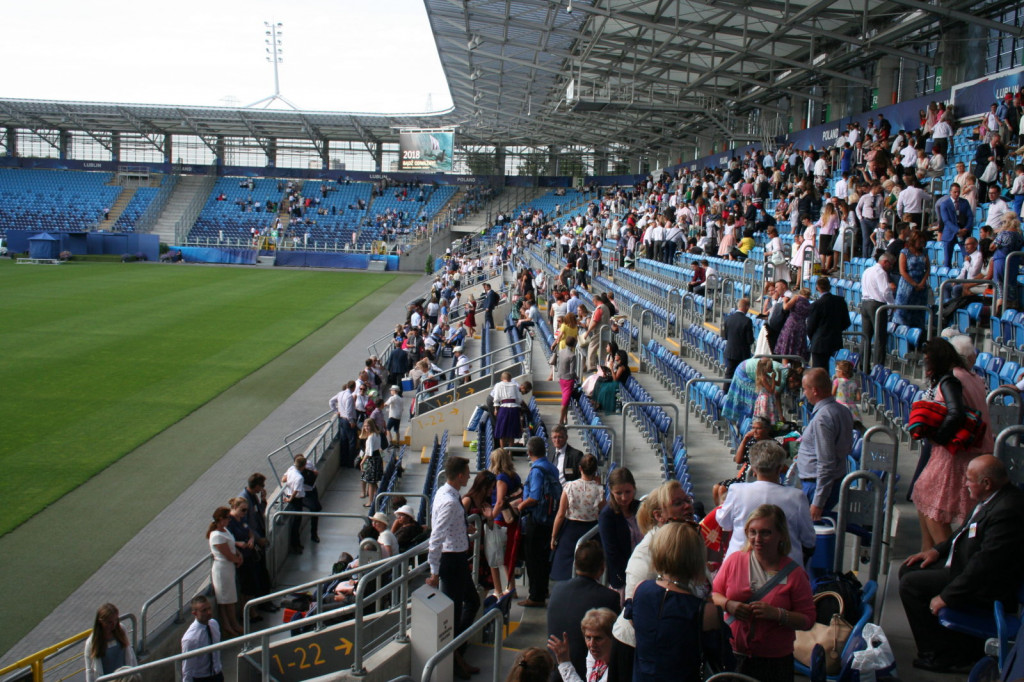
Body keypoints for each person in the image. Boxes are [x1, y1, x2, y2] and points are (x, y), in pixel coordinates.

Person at [899, 455, 1024, 673]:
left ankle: (941, 655)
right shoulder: (990, 499)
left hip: (984, 586)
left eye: (969, 480)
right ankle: (948, 642)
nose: (965, 484)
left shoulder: (1007, 510)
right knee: (909, 568)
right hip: (962, 566)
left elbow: (985, 565)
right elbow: (963, 533)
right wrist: (936, 551)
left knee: (911, 585)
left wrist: (947, 596)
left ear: (986, 483)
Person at [712, 505, 815, 681]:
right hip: (733, 655)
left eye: (766, 533)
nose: (757, 539)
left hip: (774, 663)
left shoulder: (795, 574)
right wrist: (729, 605)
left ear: (781, 535)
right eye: (752, 532)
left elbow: (807, 620)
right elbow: (713, 594)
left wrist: (777, 614)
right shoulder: (734, 561)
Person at [911, 338, 994, 550]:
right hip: (976, 450)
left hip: (957, 452)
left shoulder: (952, 379)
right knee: (925, 497)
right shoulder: (972, 376)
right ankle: (927, 553)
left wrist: (939, 436)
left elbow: (955, 413)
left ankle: (947, 556)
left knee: (931, 505)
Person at [628, 521, 722, 680]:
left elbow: (634, 624)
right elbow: (720, 659)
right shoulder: (704, 611)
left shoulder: (640, 589)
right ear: (695, 558)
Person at [717, 441, 817, 567]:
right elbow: (809, 540)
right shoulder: (797, 497)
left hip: (740, 568)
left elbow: (723, 522)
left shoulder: (736, 490)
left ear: (753, 469)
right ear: (780, 468)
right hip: (785, 572)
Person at [426, 456, 480, 680]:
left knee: (472, 602)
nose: (469, 476)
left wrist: (462, 527)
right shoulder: (449, 500)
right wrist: (434, 571)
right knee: (455, 612)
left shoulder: (447, 493)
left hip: (457, 558)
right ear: (459, 475)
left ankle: (458, 654)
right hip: (452, 562)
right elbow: (436, 536)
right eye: (467, 472)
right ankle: (454, 659)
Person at [547, 544, 622, 680]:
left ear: (575, 564)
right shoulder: (609, 597)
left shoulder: (557, 589)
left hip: (553, 670)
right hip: (583, 674)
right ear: (602, 568)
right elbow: (613, 641)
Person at [796, 367, 853, 519]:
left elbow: (826, 462)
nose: (804, 394)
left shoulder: (823, 418)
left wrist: (818, 502)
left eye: (805, 389)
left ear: (814, 390)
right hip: (830, 482)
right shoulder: (843, 411)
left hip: (816, 486)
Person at [514, 436, 561, 607]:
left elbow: (534, 497)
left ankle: (535, 596)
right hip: (549, 519)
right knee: (543, 557)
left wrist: (520, 507)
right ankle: (543, 589)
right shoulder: (552, 468)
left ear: (530, 452)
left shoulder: (537, 470)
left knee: (533, 558)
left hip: (537, 519)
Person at [551, 454, 605, 581]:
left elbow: (560, 515)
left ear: (580, 468)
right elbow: (604, 510)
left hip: (571, 530)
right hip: (592, 531)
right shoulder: (599, 490)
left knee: (566, 571)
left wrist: (553, 536)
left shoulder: (569, 487)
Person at [598, 467, 641, 597]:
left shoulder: (641, 508)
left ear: (634, 488)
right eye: (619, 493)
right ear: (611, 491)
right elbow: (612, 553)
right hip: (624, 579)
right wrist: (625, 578)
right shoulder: (607, 515)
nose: (624, 497)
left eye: (628, 492)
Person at [713, 416, 775, 506]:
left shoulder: (772, 445)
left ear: (766, 430)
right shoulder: (751, 442)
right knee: (716, 488)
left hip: (755, 478)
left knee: (722, 489)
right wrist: (745, 440)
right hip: (743, 476)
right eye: (753, 428)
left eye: (758, 428)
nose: (755, 431)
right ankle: (718, 515)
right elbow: (738, 460)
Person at [548, 607, 619, 682]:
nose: (591, 644)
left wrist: (564, 662)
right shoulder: (595, 653)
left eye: (598, 638)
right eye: (588, 637)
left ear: (613, 638)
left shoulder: (618, 666)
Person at [489, 447, 522, 597]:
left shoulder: (501, 478)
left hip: (501, 520)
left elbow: (500, 501)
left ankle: (499, 590)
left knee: (496, 556)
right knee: (508, 554)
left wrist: (491, 516)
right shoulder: (515, 476)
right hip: (513, 519)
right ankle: (511, 588)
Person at [207, 507, 243, 638]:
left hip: (228, 568)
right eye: (227, 517)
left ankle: (232, 624)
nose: (229, 520)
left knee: (230, 598)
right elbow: (227, 554)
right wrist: (237, 560)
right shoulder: (216, 536)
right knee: (225, 599)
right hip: (222, 569)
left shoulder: (224, 530)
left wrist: (238, 555)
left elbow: (232, 546)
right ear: (221, 519)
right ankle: (229, 626)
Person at [806, 277, 852, 369]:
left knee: (819, 371)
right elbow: (846, 322)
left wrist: (813, 338)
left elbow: (810, 327)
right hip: (835, 341)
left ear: (817, 288)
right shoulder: (840, 301)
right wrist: (836, 331)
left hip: (819, 343)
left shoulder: (816, 304)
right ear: (830, 287)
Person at [84, 604, 138, 682]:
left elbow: (130, 654)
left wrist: (136, 672)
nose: (113, 625)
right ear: (100, 621)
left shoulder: (121, 630)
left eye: (116, 620)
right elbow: (89, 670)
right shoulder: (91, 642)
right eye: (109, 622)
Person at [861, 253, 896, 367]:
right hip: (876, 305)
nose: (891, 267)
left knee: (866, 337)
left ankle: (864, 366)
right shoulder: (880, 272)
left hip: (865, 303)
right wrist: (892, 304)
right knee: (880, 338)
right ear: (885, 262)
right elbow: (885, 291)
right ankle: (878, 367)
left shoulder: (867, 270)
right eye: (890, 265)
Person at [894, 230, 930, 331]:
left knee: (919, 313)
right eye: (919, 241)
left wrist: (922, 282)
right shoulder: (905, 252)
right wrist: (914, 284)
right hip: (907, 285)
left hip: (921, 284)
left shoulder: (924, 252)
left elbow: (927, 268)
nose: (921, 244)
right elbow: (902, 271)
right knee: (903, 313)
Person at [181, 596, 223, 682]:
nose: (209, 612)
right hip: (202, 678)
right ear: (195, 613)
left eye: (209, 608)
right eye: (204, 610)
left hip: (217, 674)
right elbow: (187, 669)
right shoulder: (190, 639)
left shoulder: (214, 624)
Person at [936, 183, 974, 269]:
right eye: (955, 192)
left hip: (964, 234)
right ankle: (947, 281)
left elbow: (970, 216)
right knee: (947, 260)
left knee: (967, 256)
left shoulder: (964, 202)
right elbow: (946, 220)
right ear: (950, 192)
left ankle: (966, 277)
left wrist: (966, 228)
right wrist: (957, 230)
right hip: (949, 233)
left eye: (958, 192)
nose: (957, 194)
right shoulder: (944, 204)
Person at [773, 288, 811, 362]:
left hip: (791, 324)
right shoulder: (809, 304)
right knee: (798, 350)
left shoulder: (797, 297)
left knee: (786, 349)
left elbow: (786, 307)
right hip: (802, 326)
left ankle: (785, 367)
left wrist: (784, 301)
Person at [721, 298, 754, 379]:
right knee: (742, 375)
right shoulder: (747, 321)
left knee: (729, 374)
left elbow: (726, 336)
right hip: (742, 354)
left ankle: (725, 390)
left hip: (730, 351)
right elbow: (749, 340)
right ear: (746, 307)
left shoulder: (728, 319)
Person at [552, 335, 579, 425]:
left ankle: (565, 418)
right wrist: (576, 377)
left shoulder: (561, 351)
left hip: (561, 378)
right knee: (565, 401)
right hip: (568, 380)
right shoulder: (572, 356)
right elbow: (572, 371)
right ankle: (561, 420)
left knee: (565, 399)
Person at [492, 372, 523, 448]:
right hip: (514, 409)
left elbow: (496, 398)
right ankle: (510, 453)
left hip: (503, 409)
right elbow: (519, 399)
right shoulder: (515, 386)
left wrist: (496, 408)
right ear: (510, 378)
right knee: (511, 432)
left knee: (502, 431)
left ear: (502, 378)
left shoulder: (498, 385)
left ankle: (502, 451)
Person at [595, 350, 630, 414]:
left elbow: (615, 379)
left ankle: (602, 406)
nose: (615, 356)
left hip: (619, 385)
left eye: (616, 355)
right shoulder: (619, 366)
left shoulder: (621, 367)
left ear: (620, 357)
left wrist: (611, 368)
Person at [359, 420, 383, 508]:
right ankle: (377, 499)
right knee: (373, 481)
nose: (366, 428)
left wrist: (362, 462)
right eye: (365, 426)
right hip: (377, 458)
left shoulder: (371, 437)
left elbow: (369, 452)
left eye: (368, 426)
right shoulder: (377, 434)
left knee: (370, 482)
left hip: (373, 460)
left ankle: (370, 501)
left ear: (372, 426)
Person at [832, 359, 863, 429]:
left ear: (842, 372)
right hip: (852, 407)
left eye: (837, 370)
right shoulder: (854, 383)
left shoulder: (837, 381)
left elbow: (833, 393)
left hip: (840, 405)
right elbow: (858, 397)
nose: (836, 372)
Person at [752, 357, 780, 424]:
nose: (772, 369)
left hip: (770, 398)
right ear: (765, 368)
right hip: (765, 399)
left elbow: (778, 383)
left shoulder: (767, 376)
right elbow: (771, 390)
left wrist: (779, 373)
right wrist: (773, 378)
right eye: (770, 367)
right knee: (765, 419)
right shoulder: (763, 378)